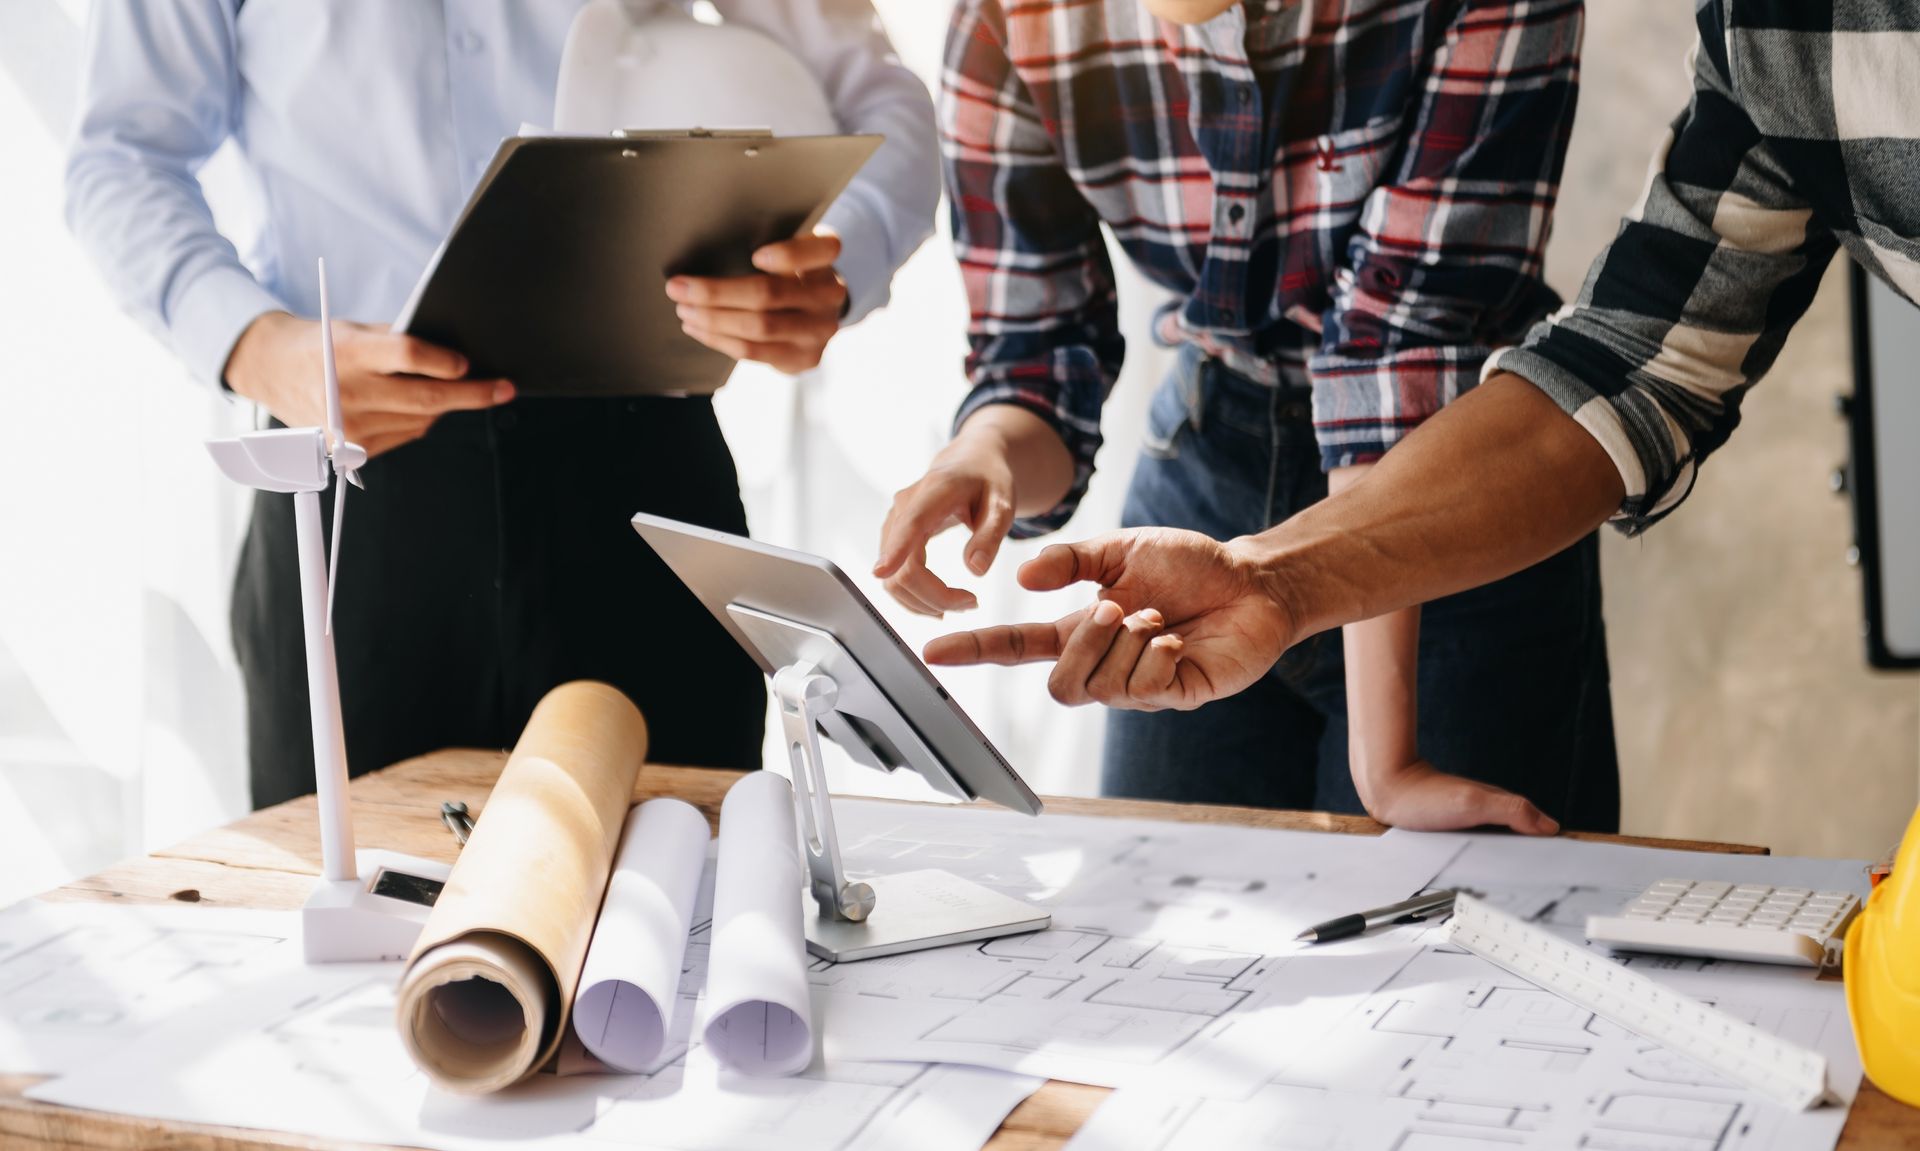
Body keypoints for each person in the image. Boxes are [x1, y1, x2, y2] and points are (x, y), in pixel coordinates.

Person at [920, 0, 1917, 833]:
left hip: (1443, 449)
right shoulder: (1778, 37)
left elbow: (1397, 353)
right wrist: (1271, 576)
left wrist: (1381, 751)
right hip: (1237, 469)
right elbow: (1640, 357)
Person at [68, 0, 938, 808]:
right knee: (356, 941)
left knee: (683, 925)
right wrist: (256, 345)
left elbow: (877, 98)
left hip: (644, 495)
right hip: (350, 499)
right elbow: (121, 154)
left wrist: (834, 266)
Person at [875, 0, 1605, 831]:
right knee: (1160, 928)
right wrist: (986, 455)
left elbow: (1397, 351)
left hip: (1450, 491)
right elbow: (1035, 351)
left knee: (1453, 943)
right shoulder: (1008, 16)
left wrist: (1387, 763)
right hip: (1199, 486)